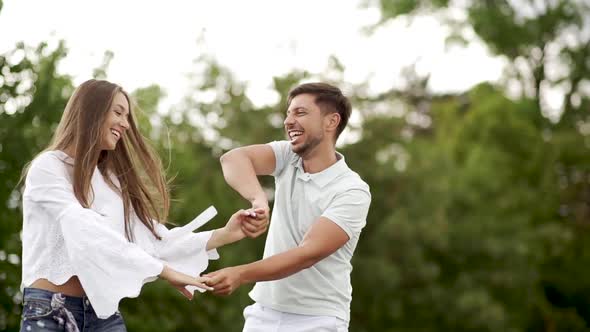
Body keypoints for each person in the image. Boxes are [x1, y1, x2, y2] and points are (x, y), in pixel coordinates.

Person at [19, 79, 267, 332]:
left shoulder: (109, 182)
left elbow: (152, 240)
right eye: (118, 112)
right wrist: (163, 271)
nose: (125, 124)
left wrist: (224, 234)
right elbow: (85, 228)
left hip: (102, 314)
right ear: (90, 112)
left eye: (127, 116)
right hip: (51, 311)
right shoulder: (49, 168)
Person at [206, 82, 371, 331]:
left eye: (300, 113)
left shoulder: (352, 190)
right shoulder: (288, 156)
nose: (288, 121)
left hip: (318, 320)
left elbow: (306, 254)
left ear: (331, 121)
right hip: (263, 313)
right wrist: (259, 201)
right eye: (288, 113)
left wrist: (240, 274)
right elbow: (233, 159)